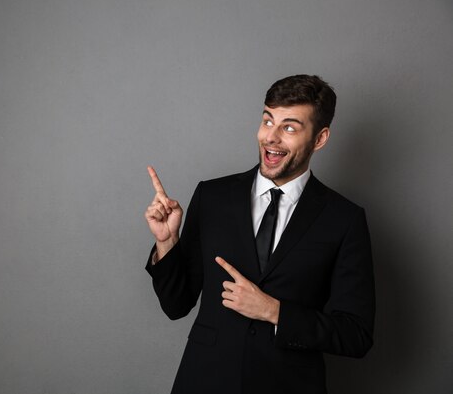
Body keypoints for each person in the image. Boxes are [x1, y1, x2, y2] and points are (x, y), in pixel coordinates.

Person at [144, 74, 375, 394]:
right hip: (206, 382)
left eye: (290, 127)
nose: (272, 137)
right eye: (268, 121)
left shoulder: (344, 219)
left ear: (320, 139)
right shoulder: (212, 197)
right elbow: (176, 304)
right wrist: (167, 242)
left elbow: (356, 334)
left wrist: (275, 312)